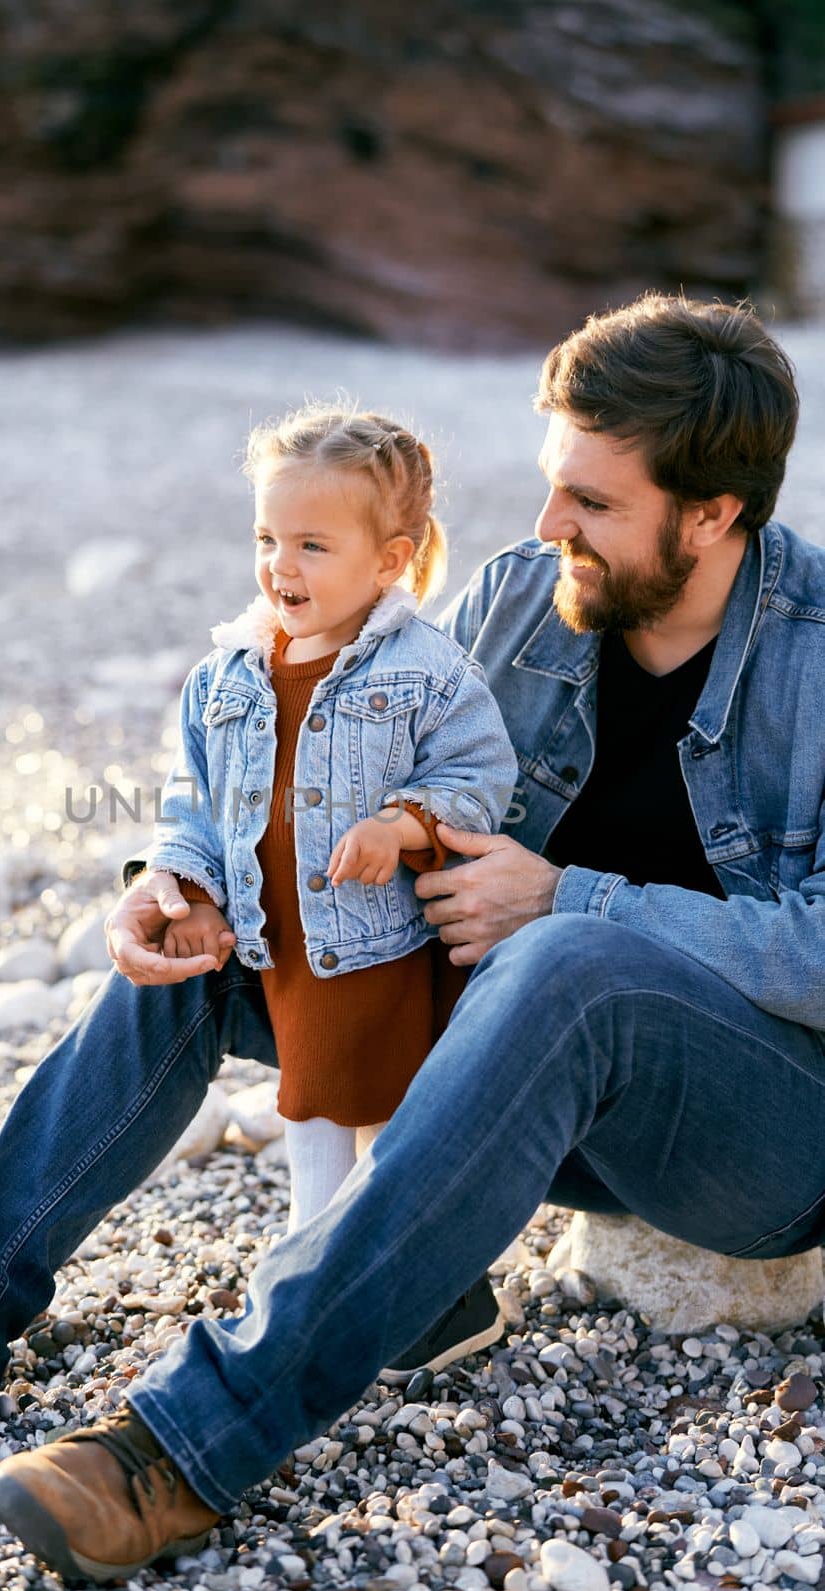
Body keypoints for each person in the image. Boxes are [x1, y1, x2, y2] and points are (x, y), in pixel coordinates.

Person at [0, 294, 822, 1591]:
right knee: (223, 932)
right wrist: (178, 873)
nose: (545, 527)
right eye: (553, 487)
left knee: (565, 962)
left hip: (753, 1136)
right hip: (497, 1081)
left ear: (711, 514)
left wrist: (569, 905)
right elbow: (289, 759)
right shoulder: (514, 604)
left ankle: (188, 1447)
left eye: (591, 505)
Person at [146, 405, 515, 1240]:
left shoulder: (428, 672)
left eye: (313, 545)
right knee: (311, 1095)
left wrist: (401, 825)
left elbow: (480, 774)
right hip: (272, 934)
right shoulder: (226, 674)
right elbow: (192, 796)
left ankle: (379, 1247)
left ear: (390, 562)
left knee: (386, 1088)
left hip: (376, 934)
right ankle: (317, 1241)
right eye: (267, 539)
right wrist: (190, 887)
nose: (282, 566)